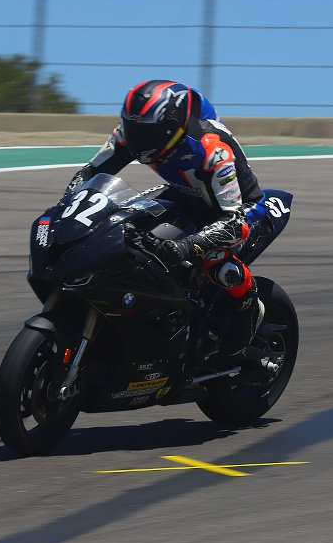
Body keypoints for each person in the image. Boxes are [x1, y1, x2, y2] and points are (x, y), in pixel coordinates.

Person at [64, 79, 267, 356]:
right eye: (132, 128)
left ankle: (248, 306)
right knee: (128, 223)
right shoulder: (132, 132)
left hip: (239, 208)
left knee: (214, 260)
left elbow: (234, 222)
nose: (135, 139)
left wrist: (187, 245)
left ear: (172, 128)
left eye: (145, 133)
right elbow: (90, 173)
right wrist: (68, 206)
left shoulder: (211, 151)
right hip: (185, 193)